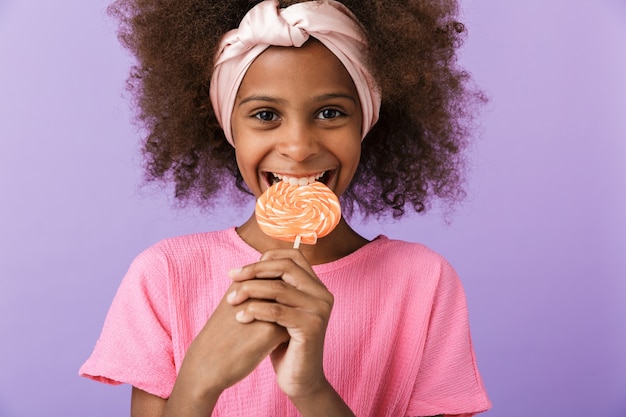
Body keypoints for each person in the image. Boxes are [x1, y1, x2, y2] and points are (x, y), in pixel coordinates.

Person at [80, 1, 491, 416]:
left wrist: (309, 389)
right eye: (265, 115)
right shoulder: (165, 275)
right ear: (228, 127)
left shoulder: (423, 282)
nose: (298, 147)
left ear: (365, 122)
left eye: (330, 113)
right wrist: (200, 379)